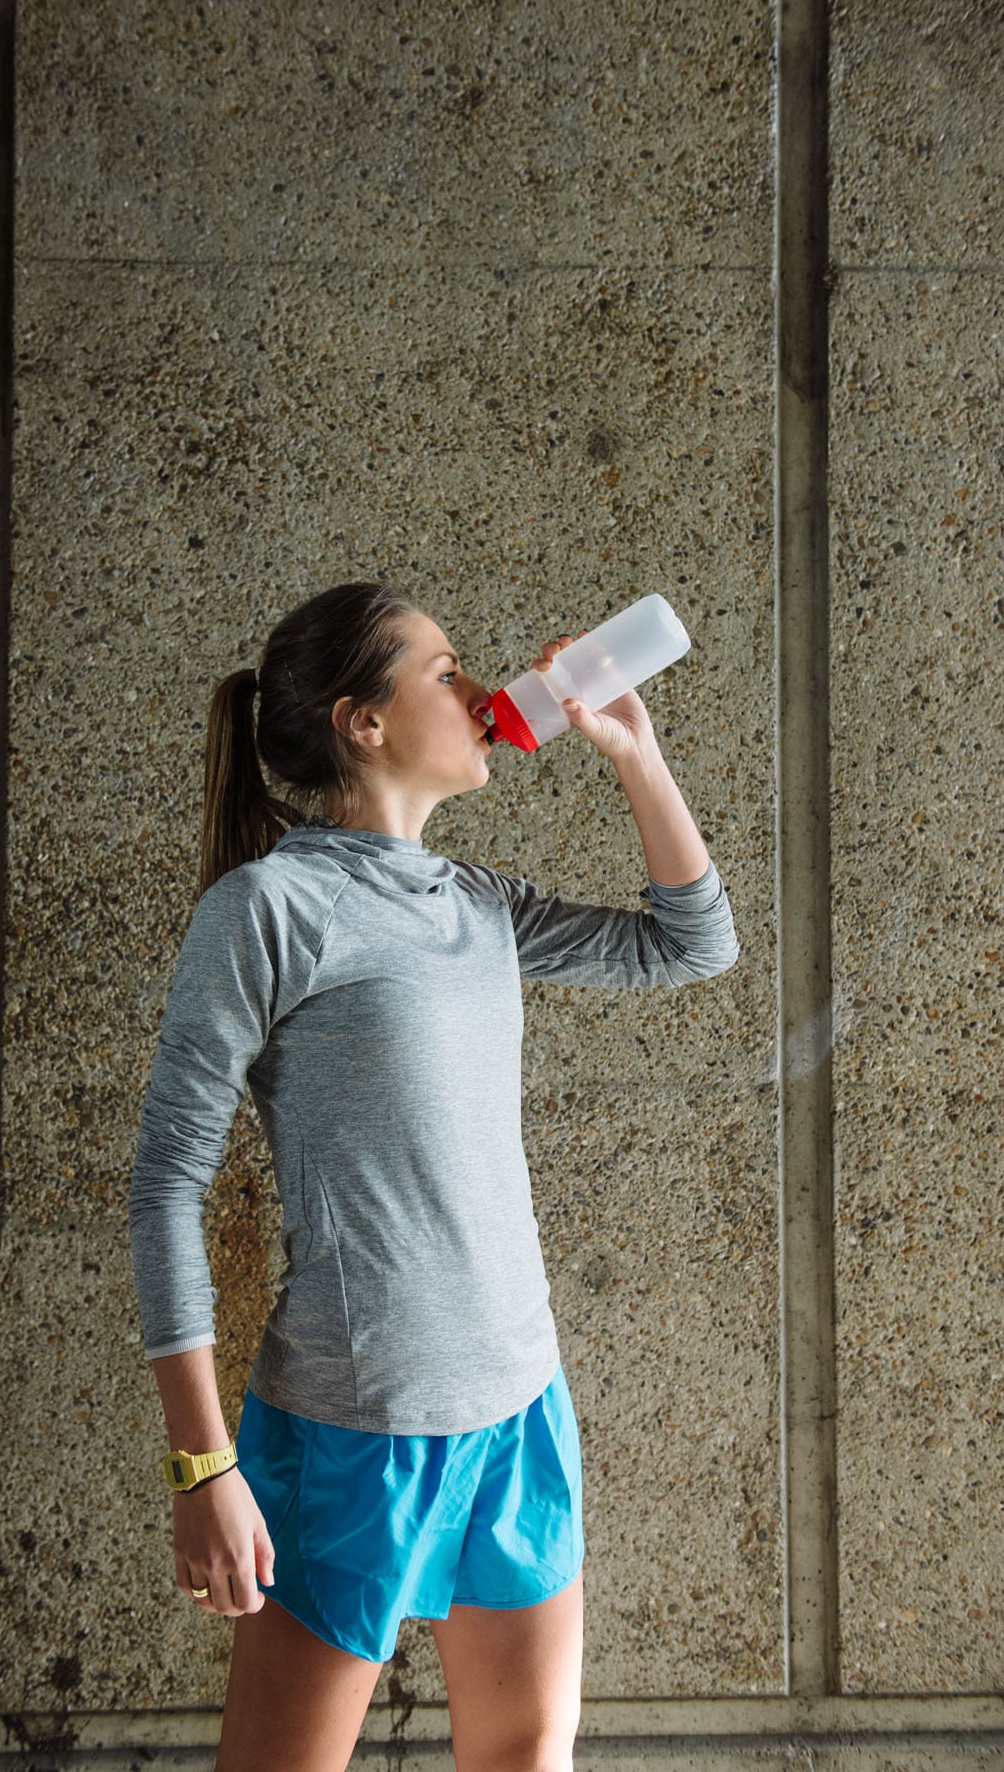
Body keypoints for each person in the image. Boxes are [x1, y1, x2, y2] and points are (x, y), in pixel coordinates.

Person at [128, 580, 739, 1772]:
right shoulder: (268, 909)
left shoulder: (477, 903)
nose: (482, 692)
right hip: (356, 1430)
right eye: (447, 671)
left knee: (527, 1756)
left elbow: (692, 944)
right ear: (363, 722)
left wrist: (635, 754)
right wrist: (202, 1467)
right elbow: (164, 1185)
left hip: (520, 1406)